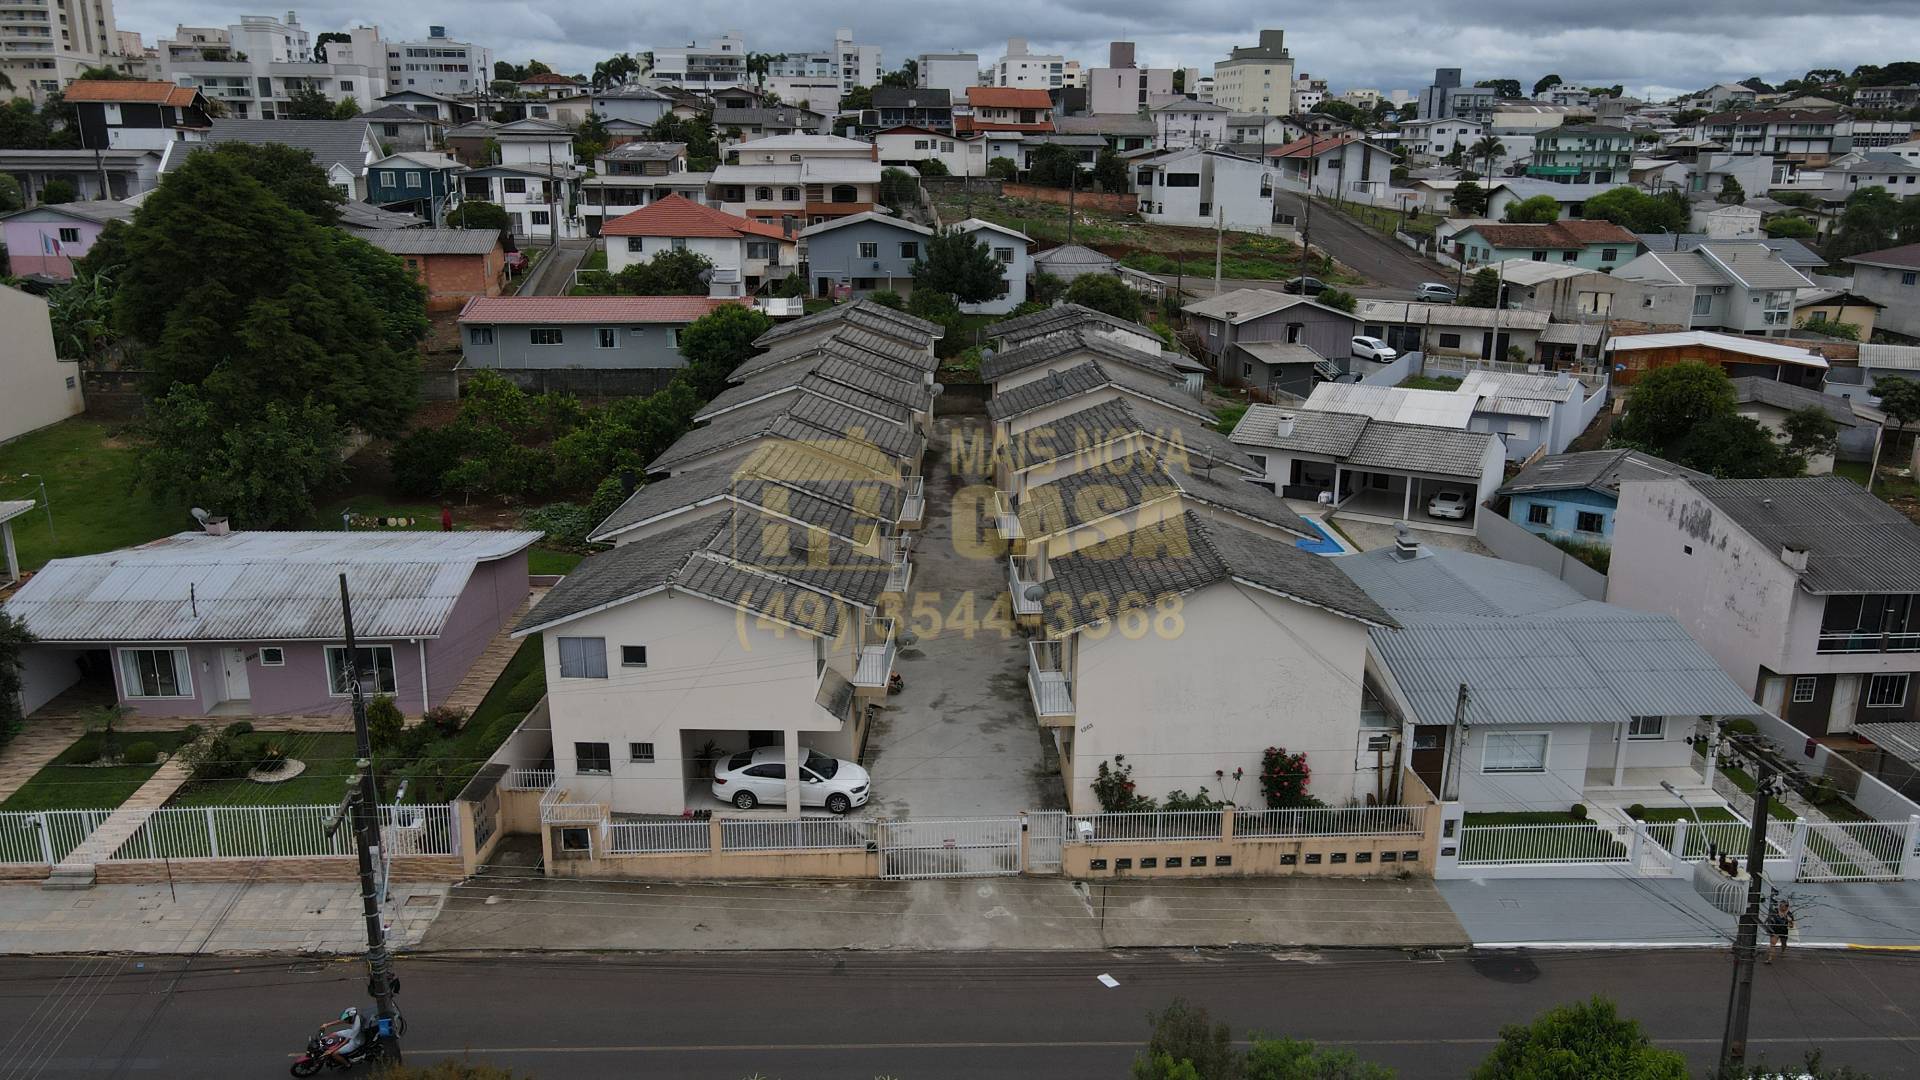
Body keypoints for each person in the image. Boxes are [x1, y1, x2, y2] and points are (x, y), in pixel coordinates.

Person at [1765, 899, 1794, 963]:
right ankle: (1770, 958)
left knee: (1784, 944)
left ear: (1787, 907)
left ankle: (1782, 951)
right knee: (1772, 944)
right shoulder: (1775, 911)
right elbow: (1768, 919)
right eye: (1781, 906)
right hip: (1775, 930)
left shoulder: (1789, 914)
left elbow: (1791, 926)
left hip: (1784, 931)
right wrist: (1768, 924)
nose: (1782, 908)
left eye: (1784, 906)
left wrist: (1790, 921)